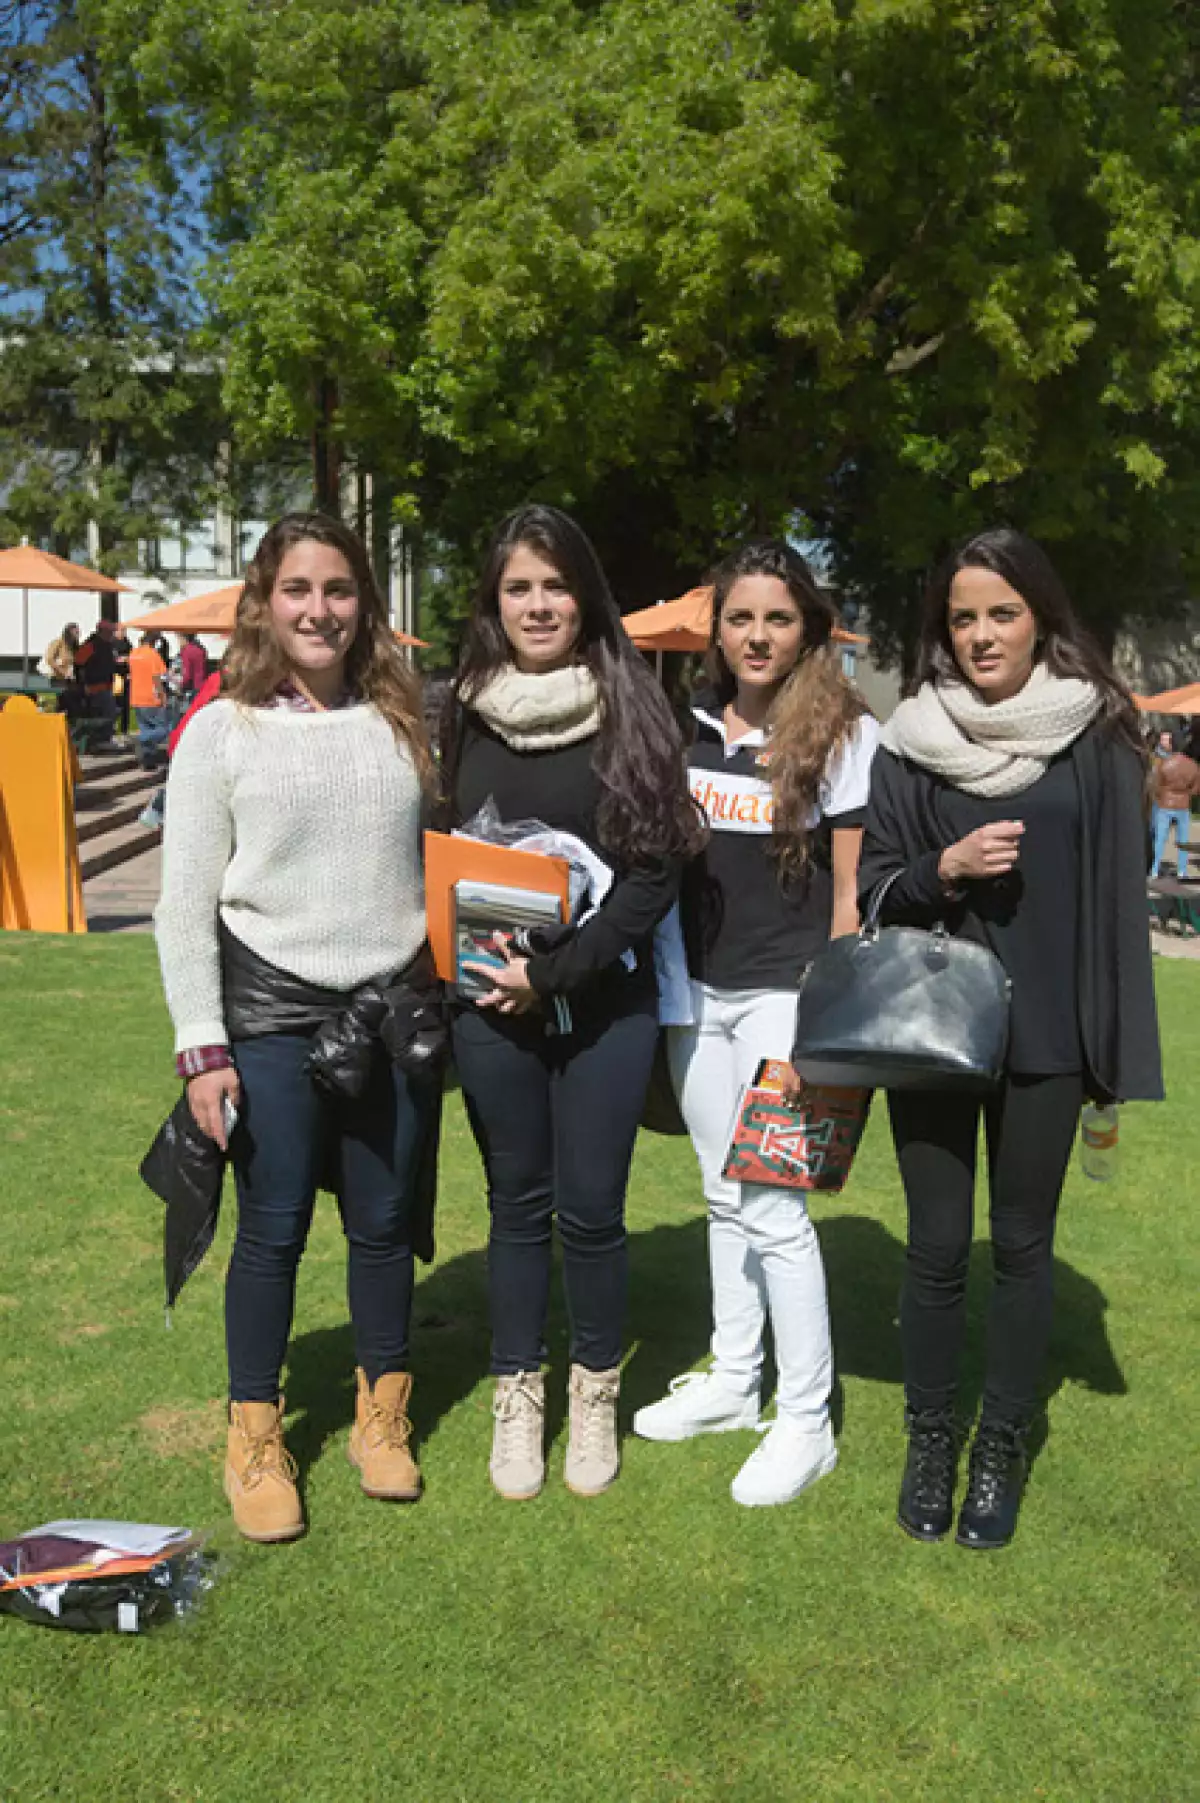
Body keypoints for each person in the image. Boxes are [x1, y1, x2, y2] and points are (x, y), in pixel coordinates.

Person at [858, 526, 1162, 1551]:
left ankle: (1000, 1444)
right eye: (962, 617)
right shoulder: (911, 735)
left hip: (1047, 1040)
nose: (982, 635)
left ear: (1040, 616)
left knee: (1023, 1250)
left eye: (1003, 612)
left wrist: (1111, 1055)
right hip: (933, 1030)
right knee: (938, 1250)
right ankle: (932, 1437)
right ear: (941, 631)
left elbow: (1118, 906)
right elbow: (875, 891)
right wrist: (942, 870)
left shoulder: (1098, 736)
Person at [155, 512, 440, 1543]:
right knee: (272, 1228)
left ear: (367, 604)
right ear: (264, 603)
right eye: (299, 589)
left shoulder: (405, 720)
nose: (320, 609)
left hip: (393, 1008)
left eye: (341, 590)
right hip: (269, 1015)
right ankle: (255, 1436)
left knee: (382, 1223)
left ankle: (382, 1419)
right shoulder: (219, 731)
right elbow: (182, 904)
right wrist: (203, 1048)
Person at [442, 503, 703, 1502]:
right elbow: (441, 841)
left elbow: (653, 873)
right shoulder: (458, 707)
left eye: (556, 585)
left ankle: (594, 1392)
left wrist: (555, 972)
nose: (539, 603)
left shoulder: (635, 705)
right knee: (516, 1207)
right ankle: (520, 1396)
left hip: (603, 1002)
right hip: (485, 1003)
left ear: (585, 594)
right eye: (519, 587)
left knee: (591, 1211)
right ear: (494, 601)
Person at [631, 540, 879, 1506]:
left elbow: (850, 894)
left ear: (808, 626)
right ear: (717, 627)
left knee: (775, 1205)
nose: (758, 635)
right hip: (692, 993)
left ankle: (806, 1420)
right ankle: (737, 1381)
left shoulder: (848, 734)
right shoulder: (682, 727)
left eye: (778, 617)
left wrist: (832, 1011)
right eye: (741, 617)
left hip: (788, 997)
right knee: (719, 1191)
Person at [1148, 739, 1199, 880]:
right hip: (1183, 805)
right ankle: (1182, 871)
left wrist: (1161, 795)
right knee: (1183, 840)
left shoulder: (1164, 764)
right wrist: (1185, 793)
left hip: (1165, 804)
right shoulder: (1193, 765)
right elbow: (1196, 789)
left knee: (1160, 838)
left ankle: (1155, 869)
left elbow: (1155, 784)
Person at [72, 618, 122, 745]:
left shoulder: (108, 646)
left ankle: (103, 739)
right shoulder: (91, 645)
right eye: (110, 632)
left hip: (106, 686)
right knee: (106, 714)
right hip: (94, 688)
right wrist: (83, 685)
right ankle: (100, 740)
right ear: (103, 631)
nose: (113, 634)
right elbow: (78, 665)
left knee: (109, 713)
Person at [127, 631, 169, 767]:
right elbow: (157, 677)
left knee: (145, 727)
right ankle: (142, 739)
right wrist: (162, 695)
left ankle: (148, 762)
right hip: (151, 698)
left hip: (136, 696)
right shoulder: (153, 655)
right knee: (163, 729)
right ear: (154, 641)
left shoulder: (133, 654)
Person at [179, 631, 207, 700]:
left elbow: (187, 674)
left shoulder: (187, 651)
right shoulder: (200, 648)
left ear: (184, 638)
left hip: (193, 687)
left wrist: (181, 686)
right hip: (202, 684)